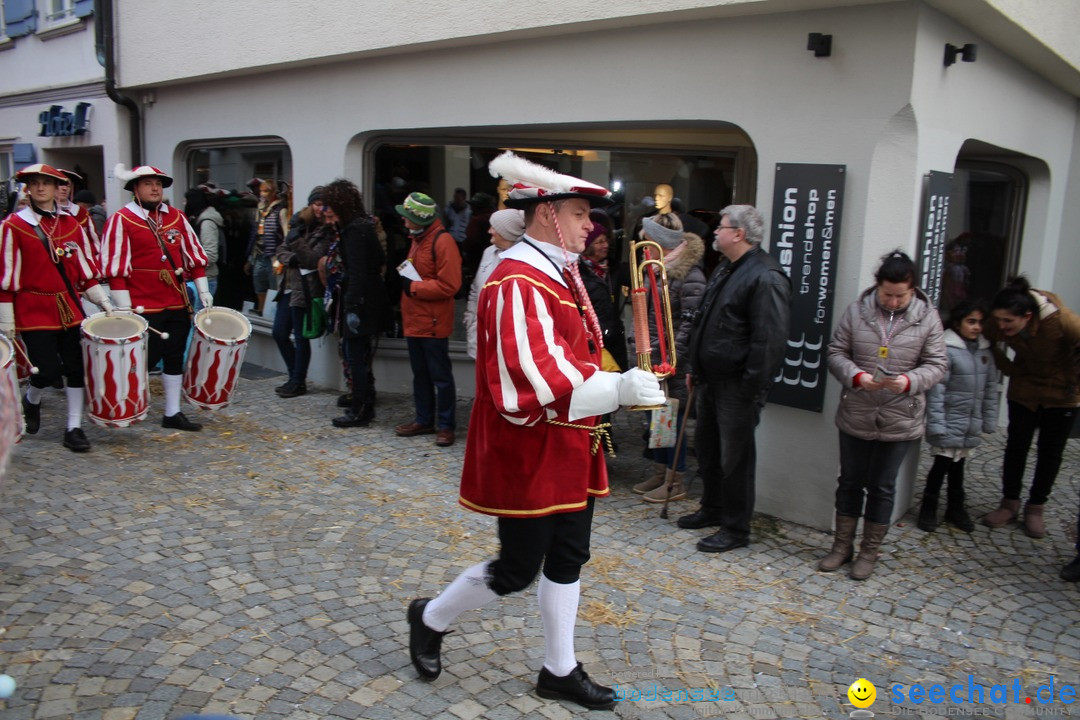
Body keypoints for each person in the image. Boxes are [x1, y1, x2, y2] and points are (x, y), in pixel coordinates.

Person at [406, 151, 664, 712]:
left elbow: (576, 355)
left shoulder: (558, 269)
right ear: (547, 214)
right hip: (530, 441)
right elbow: (530, 379)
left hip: (572, 434)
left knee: (571, 554)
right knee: (518, 568)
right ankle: (429, 618)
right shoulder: (516, 279)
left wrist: (623, 378)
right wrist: (619, 390)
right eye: (579, 214)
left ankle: (559, 668)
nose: (589, 225)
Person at [820, 251, 946, 580]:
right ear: (877, 287)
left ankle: (869, 551)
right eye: (886, 294)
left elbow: (937, 364)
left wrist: (909, 381)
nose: (892, 302)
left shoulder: (928, 317)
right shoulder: (857, 311)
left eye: (899, 295)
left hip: (901, 415)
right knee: (849, 482)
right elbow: (836, 352)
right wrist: (857, 377)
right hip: (858, 409)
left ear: (912, 290)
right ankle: (841, 546)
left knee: (882, 486)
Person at [678, 205, 791, 553]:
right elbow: (707, 320)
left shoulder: (766, 276)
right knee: (709, 451)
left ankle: (736, 527)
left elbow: (768, 341)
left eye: (721, 226)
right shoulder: (728, 267)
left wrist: (750, 388)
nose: (715, 231)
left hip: (737, 386)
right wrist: (694, 368)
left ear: (739, 234)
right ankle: (712, 508)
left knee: (736, 460)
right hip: (712, 379)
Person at [0, 164, 114, 452]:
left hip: (69, 307)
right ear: (27, 188)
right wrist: (6, 319)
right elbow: (6, 276)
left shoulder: (70, 224)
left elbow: (83, 269)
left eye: (46, 184)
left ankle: (73, 428)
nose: (40, 188)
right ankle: (32, 399)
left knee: (76, 369)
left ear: (56, 188)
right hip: (33, 308)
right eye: (35, 183)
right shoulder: (13, 226)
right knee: (47, 370)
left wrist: (102, 300)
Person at [100, 164, 211, 431]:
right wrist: (123, 306)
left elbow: (194, 257)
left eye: (158, 184)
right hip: (141, 305)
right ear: (135, 188)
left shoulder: (176, 217)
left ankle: (172, 412)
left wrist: (204, 289)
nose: (155, 188)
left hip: (175, 300)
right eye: (148, 183)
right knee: (145, 359)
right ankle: (125, 404)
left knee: (174, 356)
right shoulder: (121, 219)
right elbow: (114, 266)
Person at [981, 276, 1079, 539]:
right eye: (998, 320)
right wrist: (1008, 367)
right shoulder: (999, 321)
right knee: (1017, 445)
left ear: (1027, 316)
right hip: (1024, 390)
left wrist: (1073, 381)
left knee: (1050, 451)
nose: (1001, 326)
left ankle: (1035, 507)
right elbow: (987, 340)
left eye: (1008, 322)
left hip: (1062, 394)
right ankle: (1009, 503)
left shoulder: (1064, 322)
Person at [631, 213, 707, 503]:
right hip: (654, 356)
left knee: (669, 419)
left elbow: (690, 322)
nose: (642, 245)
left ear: (659, 242)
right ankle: (661, 470)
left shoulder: (689, 275)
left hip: (673, 361)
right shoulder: (657, 268)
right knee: (656, 417)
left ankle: (676, 480)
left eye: (647, 241)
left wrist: (673, 359)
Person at [916, 299, 998, 533]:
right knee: (940, 467)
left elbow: (990, 390)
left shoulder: (985, 352)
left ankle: (956, 507)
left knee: (959, 467)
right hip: (950, 422)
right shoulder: (947, 350)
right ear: (958, 322)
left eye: (980, 322)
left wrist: (988, 420)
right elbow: (937, 391)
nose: (976, 327)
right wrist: (936, 423)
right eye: (971, 321)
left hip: (969, 423)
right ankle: (928, 508)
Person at [392, 192, 462, 447]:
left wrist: (413, 288)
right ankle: (424, 419)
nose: (403, 222)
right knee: (420, 374)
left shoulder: (442, 242)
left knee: (440, 377)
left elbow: (450, 285)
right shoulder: (418, 239)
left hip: (432, 323)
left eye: (407, 217)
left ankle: (445, 426)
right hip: (415, 321)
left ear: (417, 219)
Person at [326, 179, 389, 428]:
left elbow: (359, 271)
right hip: (370, 298)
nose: (329, 220)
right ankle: (365, 403)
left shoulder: (354, 230)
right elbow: (377, 260)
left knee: (355, 357)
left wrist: (351, 308)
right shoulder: (363, 226)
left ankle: (360, 409)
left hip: (362, 302)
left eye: (331, 213)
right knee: (360, 356)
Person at [270, 187, 327, 398]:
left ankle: (297, 381)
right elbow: (281, 250)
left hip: (307, 289)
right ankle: (294, 375)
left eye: (324, 204)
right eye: (318, 204)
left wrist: (296, 245)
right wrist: (291, 258)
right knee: (279, 332)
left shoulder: (326, 230)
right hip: (288, 286)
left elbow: (313, 258)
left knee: (302, 338)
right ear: (311, 204)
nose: (321, 209)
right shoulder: (300, 222)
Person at [463, 208, 524, 358]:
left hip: (508, 344)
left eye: (494, 227)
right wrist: (471, 319)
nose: (489, 231)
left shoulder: (523, 258)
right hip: (481, 336)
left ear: (507, 232)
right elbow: (475, 290)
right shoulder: (488, 252)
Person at [577, 210, 628, 374]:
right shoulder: (577, 272)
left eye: (606, 241)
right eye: (599, 242)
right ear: (588, 245)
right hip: (594, 343)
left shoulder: (613, 269)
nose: (605, 245)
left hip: (615, 340)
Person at [245, 180, 288, 315]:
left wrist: (282, 257)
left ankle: (273, 311)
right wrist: (249, 258)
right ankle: (261, 309)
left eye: (266, 191)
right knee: (259, 282)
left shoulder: (281, 210)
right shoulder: (260, 208)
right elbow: (255, 233)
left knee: (274, 283)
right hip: (259, 253)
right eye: (262, 191)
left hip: (274, 254)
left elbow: (286, 235)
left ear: (273, 192)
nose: (263, 194)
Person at [184, 187, 224, 308]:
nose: (184, 204)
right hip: (198, 278)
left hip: (206, 279)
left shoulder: (207, 223)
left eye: (186, 201)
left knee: (198, 319)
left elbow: (211, 254)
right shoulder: (198, 220)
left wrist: (190, 265)